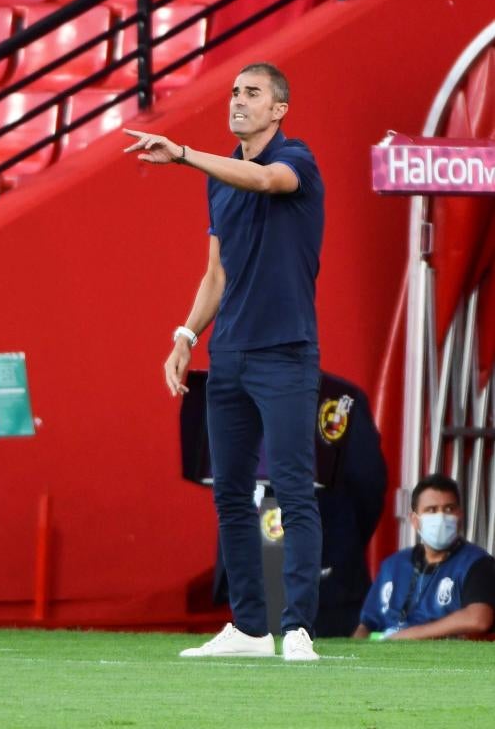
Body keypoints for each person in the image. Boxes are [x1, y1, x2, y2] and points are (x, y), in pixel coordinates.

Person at [124, 62, 325, 660]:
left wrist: (185, 153)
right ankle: (249, 629)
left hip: (285, 350)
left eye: (252, 93)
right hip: (230, 353)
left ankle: (298, 630)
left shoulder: (298, 159)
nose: (239, 101)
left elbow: (266, 183)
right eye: (234, 92)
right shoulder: (217, 178)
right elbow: (217, 272)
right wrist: (186, 335)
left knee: (293, 488)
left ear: (278, 108)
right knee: (230, 494)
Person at [352, 473, 495, 640]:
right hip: (385, 657)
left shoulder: (477, 563)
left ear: (460, 516)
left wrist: (407, 636)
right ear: (415, 520)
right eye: (431, 510)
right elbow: (366, 624)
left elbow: (478, 619)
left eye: (449, 509)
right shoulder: (393, 566)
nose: (441, 517)